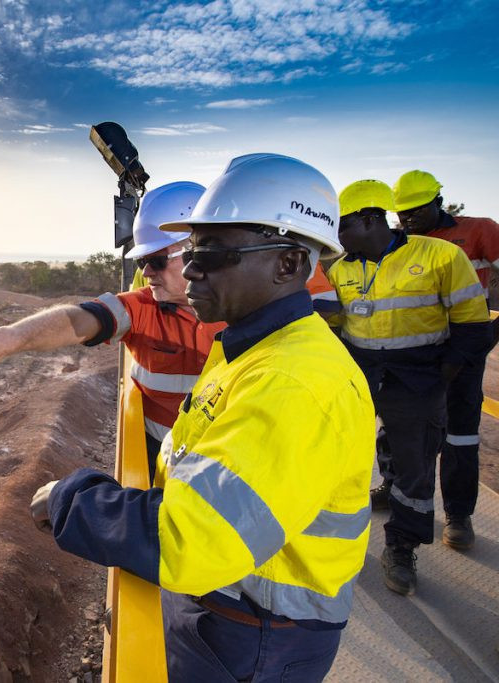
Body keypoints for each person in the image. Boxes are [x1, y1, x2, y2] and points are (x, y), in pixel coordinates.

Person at [32, 153, 376, 681]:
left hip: (256, 633)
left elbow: (190, 543)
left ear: (287, 264)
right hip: (238, 610)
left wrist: (70, 499)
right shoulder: (251, 348)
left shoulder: (291, 383)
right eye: (192, 249)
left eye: (214, 252)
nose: (190, 267)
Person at [0, 181, 222, 481]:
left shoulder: (251, 316)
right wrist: (6, 338)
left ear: (200, 251)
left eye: (156, 260)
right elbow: (80, 319)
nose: (146, 273)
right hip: (160, 465)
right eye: (143, 261)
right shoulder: (141, 308)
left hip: (227, 466)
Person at [327, 179, 490, 595]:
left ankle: (401, 545)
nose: (337, 236)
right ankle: (365, 503)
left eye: (341, 225)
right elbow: (333, 328)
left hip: (417, 379)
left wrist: (443, 377)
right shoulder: (341, 268)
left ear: (370, 219)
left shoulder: (440, 255)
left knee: (416, 468)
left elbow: (471, 324)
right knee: (359, 453)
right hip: (362, 376)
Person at [393, 170, 499, 550]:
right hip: (415, 353)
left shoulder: (480, 230)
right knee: (401, 428)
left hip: (463, 349)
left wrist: (487, 335)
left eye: (416, 209)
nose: (407, 218)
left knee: (460, 435)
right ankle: (393, 490)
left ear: (438, 200)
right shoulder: (400, 242)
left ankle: (458, 515)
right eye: (402, 212)